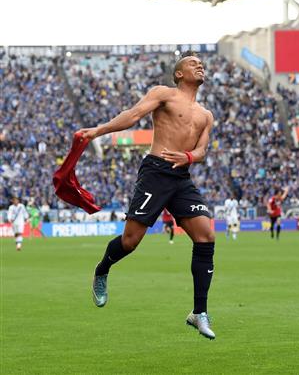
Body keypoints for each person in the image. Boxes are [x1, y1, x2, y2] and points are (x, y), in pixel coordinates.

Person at [76, 52, 216, 340]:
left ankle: (198, 313)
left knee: (206, 236)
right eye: (192, 63)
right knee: (130, 242)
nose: (199, 65)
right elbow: (133, 115)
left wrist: (189, 156)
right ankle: (102, 269)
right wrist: (99, 131)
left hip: (181, 176)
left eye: (201, 63)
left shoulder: (206, 115)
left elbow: (202, 151)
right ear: (179, 74)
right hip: (155, 171)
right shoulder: (163, 94)